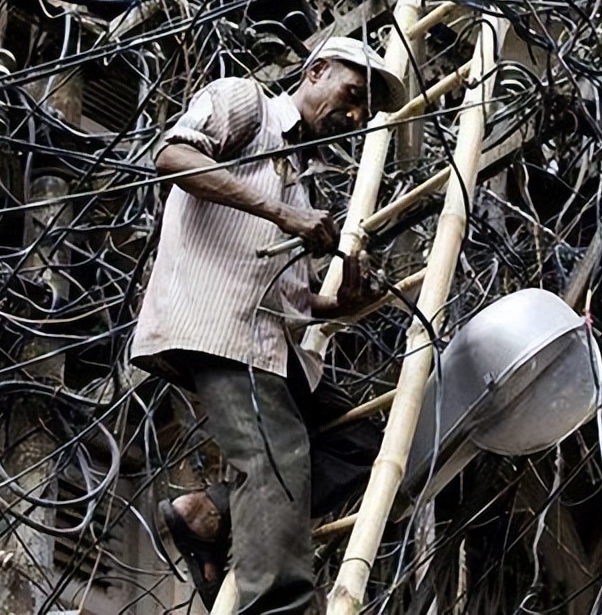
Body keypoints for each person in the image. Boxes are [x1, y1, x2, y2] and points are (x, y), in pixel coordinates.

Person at [131, 36, 407, 613]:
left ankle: (209, 513)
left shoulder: (300, 179)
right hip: (221, 329)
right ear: (316, 71)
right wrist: (284, 214)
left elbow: (289, 299)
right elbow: (173, 157)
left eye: (363, 109)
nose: (355, 115)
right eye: (352, 94)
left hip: (273, 348)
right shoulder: (246, 103)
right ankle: (281, 608)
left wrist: (342, 306)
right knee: (275, 458)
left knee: (361, 444)